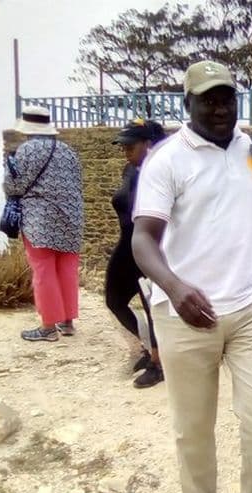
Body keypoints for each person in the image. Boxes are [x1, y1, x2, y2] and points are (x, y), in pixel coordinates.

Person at [132, 60, 252, 493]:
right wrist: (175, 288)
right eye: (208, 99)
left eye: (226, 97)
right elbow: (143, 238)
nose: (220, 107)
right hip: (187, 312)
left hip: (251, 303)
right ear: (188, 104)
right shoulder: (167, 159)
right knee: (194, 423)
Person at [4, 105, 83, 342]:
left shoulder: (25, 151)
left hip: (40, 219)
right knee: (67, 268)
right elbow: (78, 181)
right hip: (71, 217)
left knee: (43, 270)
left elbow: (13, 186)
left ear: (27, 129)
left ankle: (48, 326)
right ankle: (67, 321)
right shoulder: (68, 151)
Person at [106, 119, 166, 388]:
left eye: (131, 145)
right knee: (114, 300)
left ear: (148, 144)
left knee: (153, 306)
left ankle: (159, 362)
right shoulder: (130, 170)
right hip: (126, 246)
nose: (125, 150)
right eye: (124, 145)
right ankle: (147, 345)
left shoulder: (161, 174)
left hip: (151, 248)